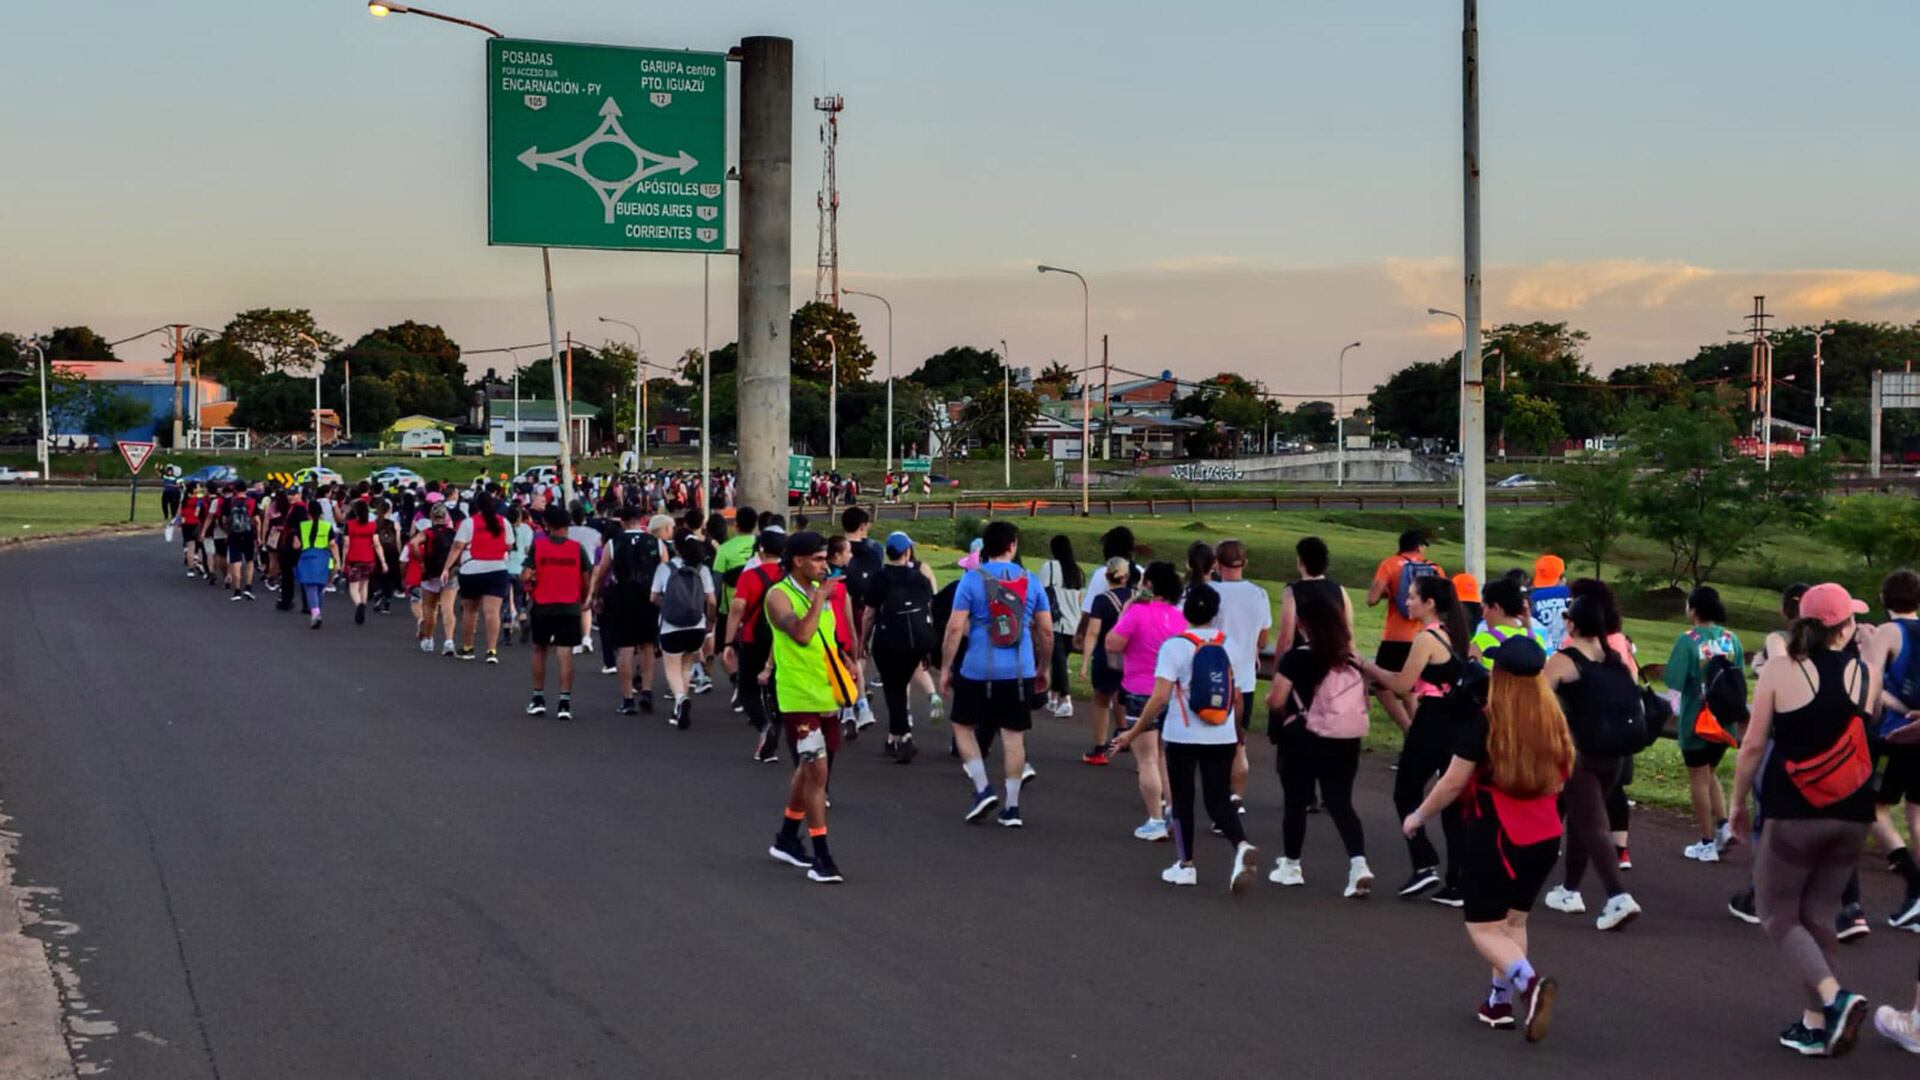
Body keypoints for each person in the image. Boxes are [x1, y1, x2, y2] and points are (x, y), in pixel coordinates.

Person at [1729, 583, 1876, 1058]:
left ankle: (1835, 1000)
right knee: (1818, 916)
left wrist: (1735, 803)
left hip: (1794, 809)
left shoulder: (1780, 669)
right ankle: (1815, 1026)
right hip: (1852, 812)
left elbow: (1752, 745)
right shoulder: (1864, 672)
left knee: (1776, 912)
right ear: (1846, 626)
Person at [1402, 636, 1570, 1042]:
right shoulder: (1554, 719)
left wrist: (1419, 815)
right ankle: (1498, 1001)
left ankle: (1528, 984)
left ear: (1500, 675)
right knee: (1514, 920)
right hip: (1545, 833)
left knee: (1482, 927)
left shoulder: (1486, 720)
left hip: (1499, 831)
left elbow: (1453, 782)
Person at [1121, 582, 1259, 892]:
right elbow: (1236, 699)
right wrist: (1237, 733)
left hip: (1182, 734)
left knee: (1182, 800)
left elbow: (1159, 698)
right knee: (1218, 799)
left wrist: (1135, 729)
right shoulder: (1231, 646)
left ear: (1186, 610)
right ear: (1215, 612)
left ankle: (1186, 865)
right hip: (1221, 733)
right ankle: (1240, 845)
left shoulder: (1175, 646)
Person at [1358, 574, 1475, 904]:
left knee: (1406, 790)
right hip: (1457, 720)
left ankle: (1424, 863)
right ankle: (1457, 881)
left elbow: (1401, 685)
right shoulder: (1456, 635)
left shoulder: (1426, 639)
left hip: (1433, 719)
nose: (1405, 602)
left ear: (1430, 603)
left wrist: (1367, 666)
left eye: (1411, 597)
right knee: (1450, 798)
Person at [937, 520, 1054, 828]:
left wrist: (946, 667)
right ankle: (1012, 807)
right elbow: (1045, 630)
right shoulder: (1031, 581)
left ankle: (982, 787)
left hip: (977, 668)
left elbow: (954, 627)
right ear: (1013, 545)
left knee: (962, 727)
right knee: (1013, 736)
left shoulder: (972, 580)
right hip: (1019, 669)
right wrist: (1043, 667)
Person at [1540, 594, 1644, 931]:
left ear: (1571, 623)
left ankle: (1617, 896)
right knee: (1584, 822)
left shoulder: (1563, 660)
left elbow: (1538, 701)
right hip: (1613, 754)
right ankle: (1569, 890)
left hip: (1578, 754)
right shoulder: (1616, 661)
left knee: (1592, 826)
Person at [1265, 594, 1373, 897]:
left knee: (1296, 803)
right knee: (1340, 803)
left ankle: (1291, 865)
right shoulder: (1347, 657)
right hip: (1345, 739)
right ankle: (1358, 863)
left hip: (1302, 738)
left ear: (1302, 625)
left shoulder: (1296, 658)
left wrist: (1271, 701)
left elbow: (1277, 700)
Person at [763, 531, 848, 884]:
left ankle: (786, 836)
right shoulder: (779, 595)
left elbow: (825, 637)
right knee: (816, 773)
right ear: (797, 561)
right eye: (818, 559)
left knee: (810, 771)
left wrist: (846, 658)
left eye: (826, 558)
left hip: (827, 692)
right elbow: (799, 634)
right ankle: (822, 856)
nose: (824, 565)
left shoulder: (819, 593)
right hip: (798, 696)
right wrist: (819, 601)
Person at [1104, 562, 1186, 841]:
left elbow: (1112, 643)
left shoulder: (1137, 612)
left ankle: (1154, 819)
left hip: (1140, 690)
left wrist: (1124, 614)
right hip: (1171, 692)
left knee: (1147, 758)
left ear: (1149, 585)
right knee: (1165, 756)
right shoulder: (1178, 617)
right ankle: (1174, 812)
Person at [1666, 585, 1745, 862]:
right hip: (1724, 723)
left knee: (1698, 778)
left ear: (1694, 609)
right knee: (1709, 773)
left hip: (1697, 719)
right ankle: (1723, 826)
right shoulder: (1731, 638)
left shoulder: (1688, 640)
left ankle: (1706, 841)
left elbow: (1674, 680)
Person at [1866, 568, 1920, 930]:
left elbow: (1870, 686)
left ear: (1884, 599)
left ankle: (1913, 883)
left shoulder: (1887, 631)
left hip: (1894, 734)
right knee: (1917, 811)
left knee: (1873, 806)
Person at [863, 531, 940, 763]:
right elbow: (928, 610)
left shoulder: (879, 578)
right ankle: (894, 737)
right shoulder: (919, 578)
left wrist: (863, 641)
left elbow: (869, 614)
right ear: (907, 552)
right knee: (899, 686)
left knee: (893, 690)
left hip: (889, 641)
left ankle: (904, 736)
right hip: (917, 640)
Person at [1210, 539, 1271, 815]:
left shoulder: (1209, 592)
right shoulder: (1259, 594)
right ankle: (1235, 798)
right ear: (1244, 563)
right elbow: (1262, 637)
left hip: (1212, 677)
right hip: (1244, 678)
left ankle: (1218, 800)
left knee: (1211, 745)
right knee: (1238, 741)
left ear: (1216, 564)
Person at [1367, 530, 1441, 733]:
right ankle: (1421, 736)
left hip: (1395, 637)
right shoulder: (1434, 568)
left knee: (1381, 686)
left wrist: (1389, 592)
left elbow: (1371, 599)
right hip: (1428, 636)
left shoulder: (1389, 564)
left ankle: (1412, 732)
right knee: (1414, 689)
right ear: (1419, 546)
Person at [521, 505, 590, 721]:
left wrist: (532, 579)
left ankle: (538, 697)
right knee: (565, 652)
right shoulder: (577, 548)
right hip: (569, 604)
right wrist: (584, 596)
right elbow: (587, 577)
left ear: (547, 525)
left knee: (539, 650)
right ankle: (564, 702)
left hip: (543, 603)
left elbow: (525, 575)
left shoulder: (538, 546)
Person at [727, 528, 788, 762]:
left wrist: (729, 641)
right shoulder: (789, 577)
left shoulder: (750, 575)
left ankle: (764, 727)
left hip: (754, 638)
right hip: (782, 639)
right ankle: (775, 732)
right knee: (778, 690)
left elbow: (737, 608)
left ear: (760, 549)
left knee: (747, 690)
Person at [651, 534, 717, 730]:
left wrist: (668, 605)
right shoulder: (702, 570)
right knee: (686, 666)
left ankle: (680, 699)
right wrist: (710, 621)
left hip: (671, 626)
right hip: (696, 626)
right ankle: (679, 706)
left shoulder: (665, 568)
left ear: (676, 549)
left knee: (672, 668)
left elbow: (653, 597)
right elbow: (712, 601)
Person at [442, 492, 512, 665]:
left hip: (471, 570)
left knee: (470, 611)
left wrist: (446, 567)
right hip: (497, 569)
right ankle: (491, 650)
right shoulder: (504, 523)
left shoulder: (469, 523)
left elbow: (458, 546)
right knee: (492, 612)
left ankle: (468, 647)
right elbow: (509, 545)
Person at [1077, 557, 1134, 766]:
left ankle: (1100, 749)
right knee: (1133, 704)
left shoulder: (1101, 600)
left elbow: (1092, 633)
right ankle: (1143, 756)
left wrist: (1084, 662)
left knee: (1101, 701)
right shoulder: (1136, 598)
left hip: (1105, 655)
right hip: (1131, 656)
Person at [1275, 536, 1353, 651]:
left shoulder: (1292, 592)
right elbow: (1348, 633)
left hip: (1302, 659)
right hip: (1332, 659)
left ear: (1301, 561)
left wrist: (1278, 666)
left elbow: (1286, 637)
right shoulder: (1340, 590)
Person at [1037, 534, 1085, 717]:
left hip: (1056, 621)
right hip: (1074, 622)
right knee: (1060, 661)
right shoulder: (1077, 571)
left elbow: (1041, 593)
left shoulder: (1049, 567)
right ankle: (1053, 698)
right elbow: (1079, 597)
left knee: (1059, 662)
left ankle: (1066, 700)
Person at [292, 502, 341, 629]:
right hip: (323, 557)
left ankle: (315, 612)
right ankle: (318, 610)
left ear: (308, 513)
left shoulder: (302, 526)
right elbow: (332, 544)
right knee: (320, 586)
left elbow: (296, 545)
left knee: (310, 587)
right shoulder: (327, 526)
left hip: (306, 557)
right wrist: (337, 559)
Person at [341, 499, 386, 625]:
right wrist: (383, 562)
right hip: (369, 559)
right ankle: (363, 605)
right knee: (364, 584)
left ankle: (358, 604)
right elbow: (377, 544)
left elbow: (346, 544)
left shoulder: (349, 525)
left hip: (353, 559)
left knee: (354, 585)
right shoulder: (372, 525)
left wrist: (343, 561)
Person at [1529, 555, 1571, 652]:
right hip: (1569, 655)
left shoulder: (1530, 597)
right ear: (1562, 577)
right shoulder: (1574, 594)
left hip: (1540, 654)